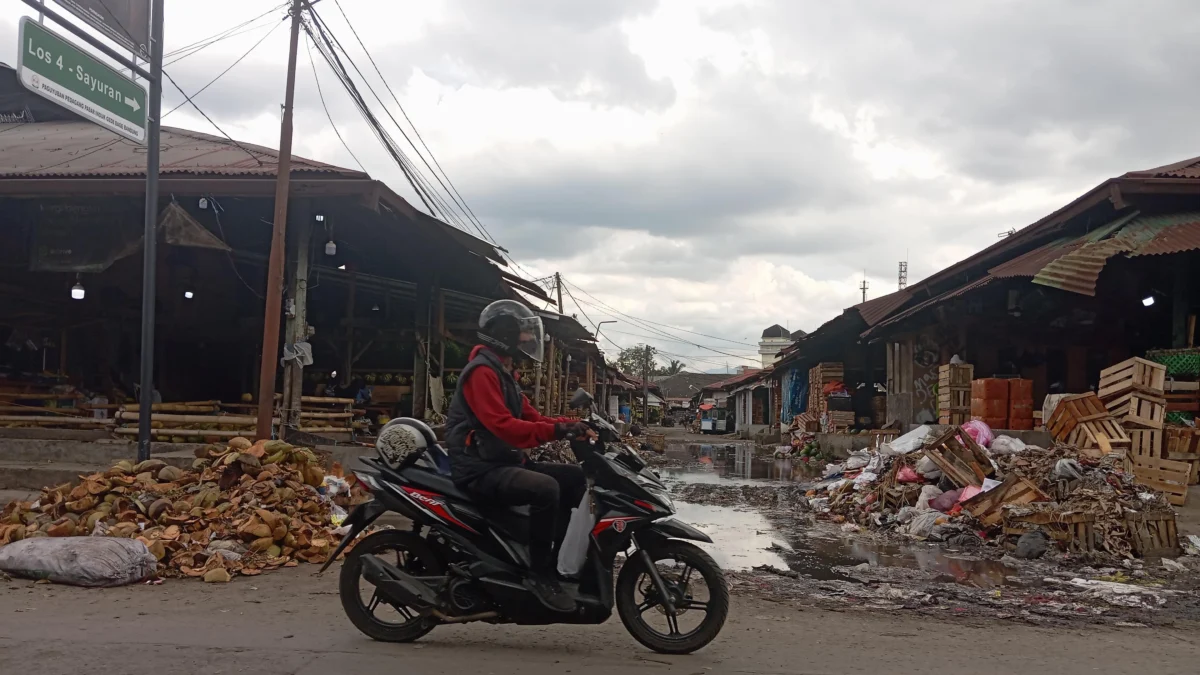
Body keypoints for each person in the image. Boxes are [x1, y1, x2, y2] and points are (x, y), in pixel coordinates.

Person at [445, 300, 591, 612]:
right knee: (545, 488)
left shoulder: (502, 373)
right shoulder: (481, 373)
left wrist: (572, 425)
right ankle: (539, 575)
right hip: (478, 467)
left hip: (500, 459)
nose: (527, 340)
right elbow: (504, 427)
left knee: (576, 478)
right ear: (505, 335)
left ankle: (556, 557)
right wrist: (557, 432)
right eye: (522, 334)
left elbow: (533, 417)